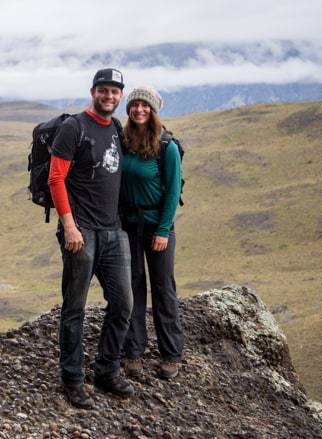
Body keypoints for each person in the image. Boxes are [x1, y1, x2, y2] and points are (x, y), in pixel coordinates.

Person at [47, 68, 135, 409]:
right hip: (81, 230)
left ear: (120, 96)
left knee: (124, 303)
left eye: (115, 91)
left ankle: (106, 369)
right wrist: (69, 226)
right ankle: (72, 378)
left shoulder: (115, 127)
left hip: (114, 231)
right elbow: (56, 179)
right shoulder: (74, 128)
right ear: (93, 91)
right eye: (104, 90)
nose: (109, 96)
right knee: (75, 307)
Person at [119, 85, 184, 379]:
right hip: (128, 225)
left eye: (145, 106)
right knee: (131, 287)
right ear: (129, 109)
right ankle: (134, 351)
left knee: (163, 289)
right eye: (135, 105)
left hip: (158, 226)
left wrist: (163, 230)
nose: (139, 109)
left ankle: (171, 354)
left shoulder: (166, 146)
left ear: (153, 110)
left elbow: (172, 192)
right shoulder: (122, 141)